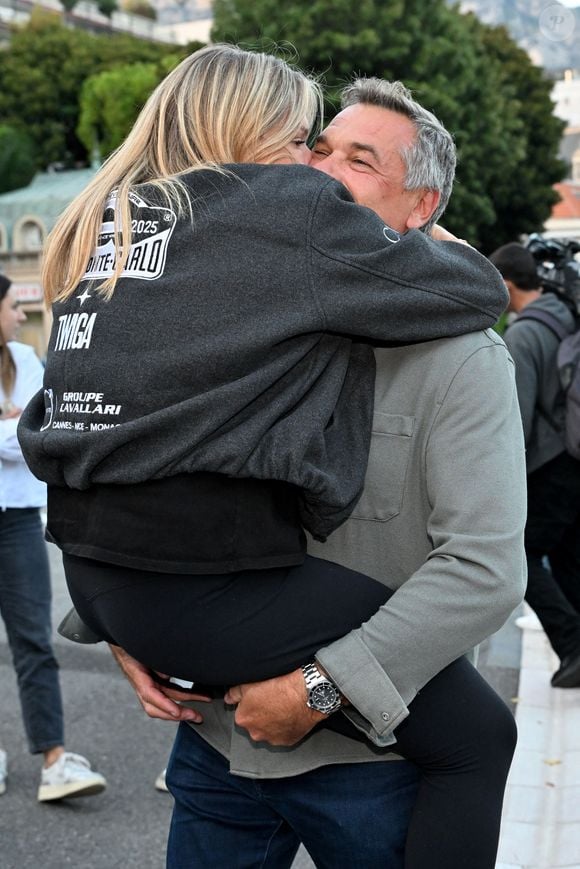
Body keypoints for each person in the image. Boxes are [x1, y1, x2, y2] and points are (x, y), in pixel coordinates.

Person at [35, 59, 526, 869]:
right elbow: (108, 435)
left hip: (369, 767)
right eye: (315, 147)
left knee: (481, 737)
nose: (321, 173)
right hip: (222, 747)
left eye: (359, 162)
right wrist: (117, 623)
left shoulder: (461, 359)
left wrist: (316, 689)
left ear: (423, 207)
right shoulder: (229, 292)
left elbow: (483, 570)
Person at [0, 274, 106, 802]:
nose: (21, 316)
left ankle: (54, 761)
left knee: (33, 643)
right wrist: (13, 425)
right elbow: (21, 434)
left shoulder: (24, 360)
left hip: (16, 517)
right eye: (11, 306)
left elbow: (41, 436)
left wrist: (16, 426)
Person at [489, 241, 580, 689]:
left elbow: (516, 423)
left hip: (549, 463)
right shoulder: (564, 311)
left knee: (519, 558)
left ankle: (573, 644)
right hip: (575, 454)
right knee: (567, 556)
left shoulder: (522, 335)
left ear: (506, 284)